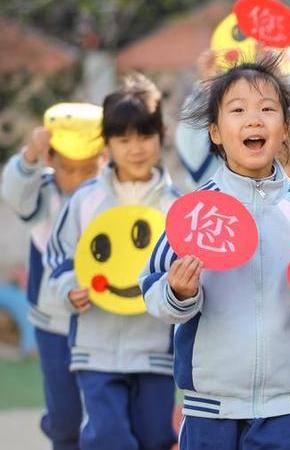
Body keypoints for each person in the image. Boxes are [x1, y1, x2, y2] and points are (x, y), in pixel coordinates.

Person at [141, 54, 290, 450]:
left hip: (286, 402)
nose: (254, 119)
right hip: (210, 403)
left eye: (267, 109)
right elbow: (151, 287)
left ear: (285, 130)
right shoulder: (195, 213)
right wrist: (178, 292)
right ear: (215, 132)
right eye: (238, 110)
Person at [45, 75, 178, 450]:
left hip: (155, 350)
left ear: (161, 135)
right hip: (96, 347)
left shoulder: (176, 206)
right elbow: (59, 254)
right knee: (107, 437)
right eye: (123, 139)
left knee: (155, 438)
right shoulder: (85, 199)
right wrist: (68, 288)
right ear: (107, 145)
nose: (135, 149)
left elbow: (186, 267)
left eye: (144, 136)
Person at [1, 105, 104, 450]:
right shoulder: (43, 190)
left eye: (88, 169)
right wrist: (31, 153)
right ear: (52, 161)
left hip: (100, 319)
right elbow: (14, 193)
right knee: (64, 414)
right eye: (68, 169)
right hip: (52, 322)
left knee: (104, 408)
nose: (78, 178)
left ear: (103, 159)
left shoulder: (108, 192)